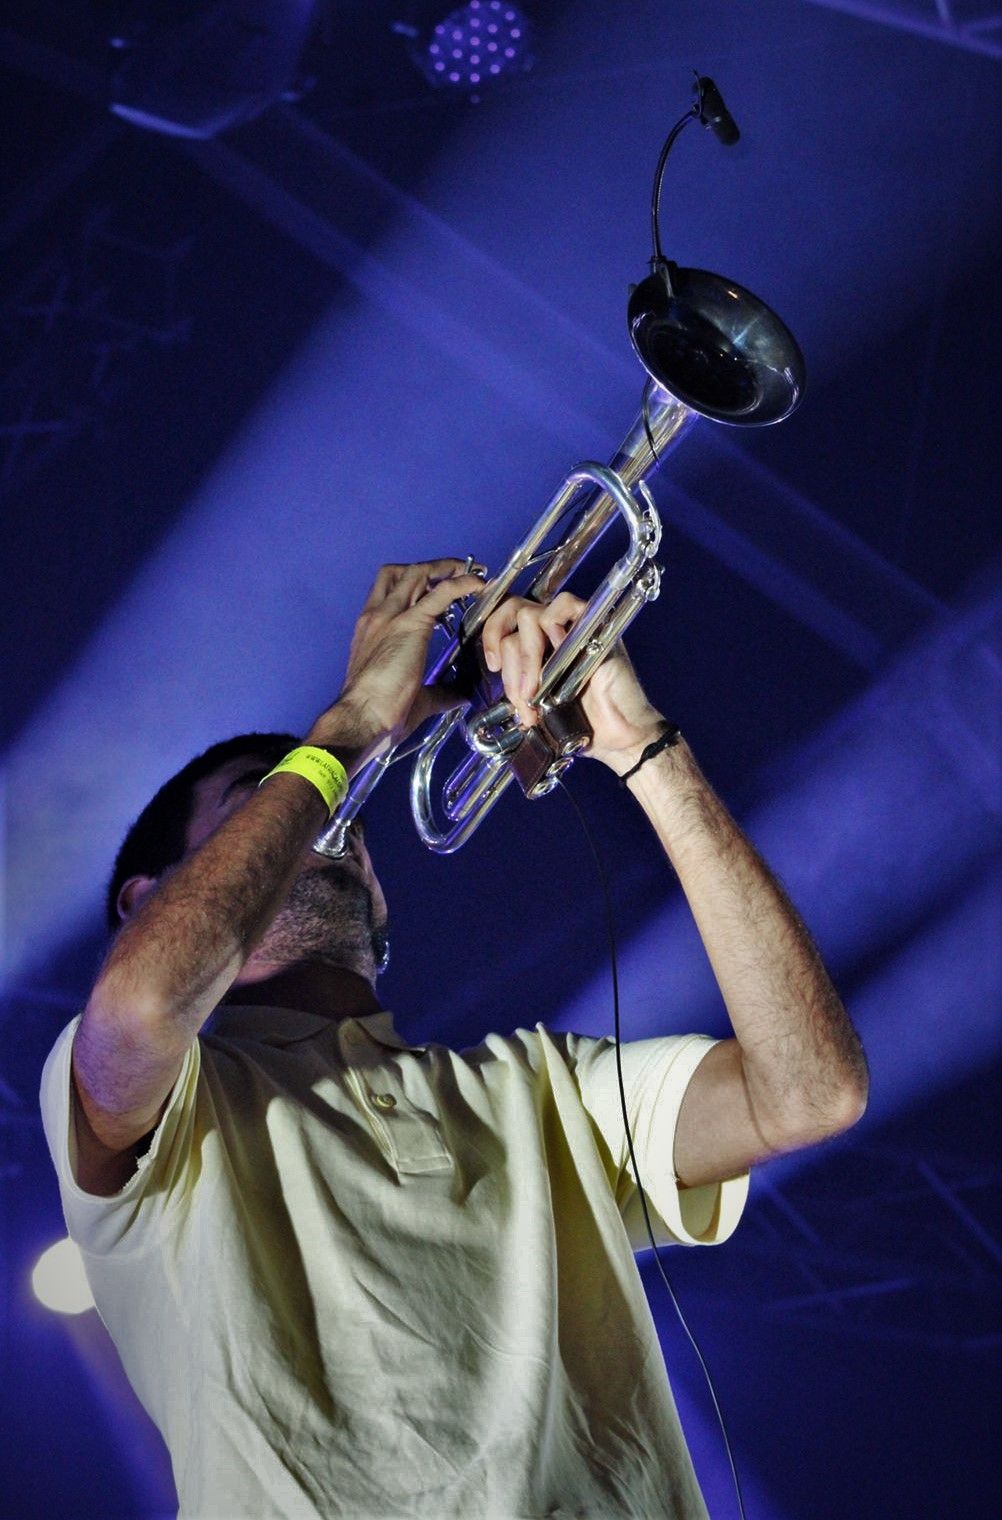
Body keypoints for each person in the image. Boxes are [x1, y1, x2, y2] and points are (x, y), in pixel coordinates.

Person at [41, 558, 868, 1520]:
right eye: (266, 792)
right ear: (149, 900)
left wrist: (643, 748)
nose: (330, 814)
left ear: (383, 895)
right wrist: (346, 730)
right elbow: (143, 1005)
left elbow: (813, 1092)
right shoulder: (158, 1098)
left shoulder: (540, 1086)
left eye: (336, 801)